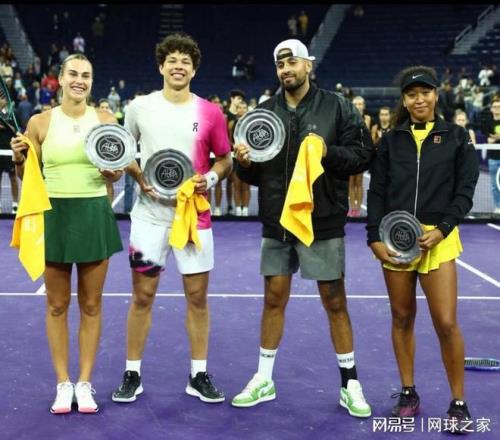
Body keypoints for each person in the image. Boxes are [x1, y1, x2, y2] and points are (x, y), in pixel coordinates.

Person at [232, 39, 374, 416]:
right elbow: (256, 174)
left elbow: (363, 155)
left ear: (308, 65)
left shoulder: (338, 107)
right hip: (277, 222)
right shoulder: (264, 113)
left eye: (292, 62)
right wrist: (244, 163)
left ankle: (350, 383)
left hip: (321, 220)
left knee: (335, 301)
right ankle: (264, 378)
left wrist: (328, 152)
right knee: (273, 298)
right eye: (280, 65)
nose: (286, 70)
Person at [111, 32, 232, 404]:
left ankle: (198, 375)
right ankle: (132, 373)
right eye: (172, 60)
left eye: (186, 62)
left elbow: (225, 160)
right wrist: (138, 177)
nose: (178, 66)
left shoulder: (210, 112)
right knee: (142, 295)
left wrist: (210, 179)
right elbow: (122, 150)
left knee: (197, 297)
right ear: (161, 66)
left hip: (194, 218)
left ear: (194, 70)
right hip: (148, 218)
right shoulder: (139, 108)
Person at [366, 65, 479, 432]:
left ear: (435, 95)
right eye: (412, 94)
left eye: (425, 93)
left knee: (446, 322)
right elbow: (377, 191)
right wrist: (373, 236)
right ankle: (408, 392)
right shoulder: (390, 140)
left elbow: (465, 190)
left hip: (438, 240)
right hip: (396, 239)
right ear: (404, 100)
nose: (419, 100)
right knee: (401, 317)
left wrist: (443, 229)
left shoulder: (456, 137)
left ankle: (458, 403)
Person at [10, 53, 124, 413]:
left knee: (91, 305)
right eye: (73, 73)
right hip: (54, 216)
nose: (79, 80)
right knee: (57, 305)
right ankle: (63, 383)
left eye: (86, 75)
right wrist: (18, 159)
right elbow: (28, 177)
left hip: (94, 214)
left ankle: (84, 383)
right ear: (59, 79)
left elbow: (117, 168)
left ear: (91, 81)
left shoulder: (106, 120)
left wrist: (112, 173)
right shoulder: (39, 122)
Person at [349, 95, 371, 217]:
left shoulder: (367, 118)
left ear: (364, 106)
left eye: (360, 104)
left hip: (361, 152)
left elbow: (365, 133)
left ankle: (358, 207)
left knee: (359, 181)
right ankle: (353, 207)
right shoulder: (347, 117)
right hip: (350, 151)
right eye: (356, 104)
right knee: (351, 181)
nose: (358, 106)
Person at [228, 100, 251, 216]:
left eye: (244, 108)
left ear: (247, 110)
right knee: (236, 184)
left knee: (246, 185)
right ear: (236, 110)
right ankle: (238, 209)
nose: (241, 110)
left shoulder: (251, 123)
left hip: (248, 157)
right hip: (235, 157)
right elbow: (229, 140)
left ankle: (245, 209)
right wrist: (234, 146)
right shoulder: (231, 124)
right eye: (239, 108)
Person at [485, 97, 500, 214]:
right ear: (491, 109)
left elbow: (492, 138)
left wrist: (496, 137)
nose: (497, 108)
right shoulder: (488, 123)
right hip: (493, 158)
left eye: (499, 106)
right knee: (495, 185)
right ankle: (498, 207)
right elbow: (489, 140)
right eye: (495, 107)